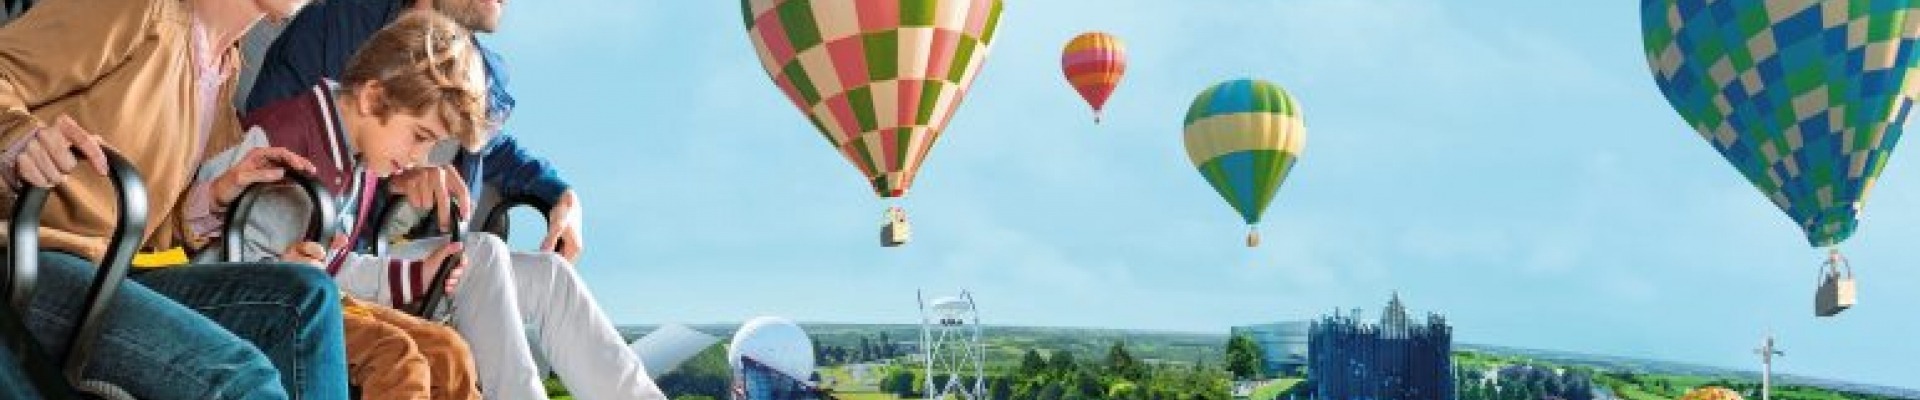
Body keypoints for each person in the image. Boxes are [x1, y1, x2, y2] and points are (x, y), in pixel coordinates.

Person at [249, 0, 667, 398]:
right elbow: (276, 143)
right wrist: (390, 176)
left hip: (390, 265)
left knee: (550, 276)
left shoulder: (474, 73)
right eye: (421, 138)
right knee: (481, 254)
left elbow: (497, 151)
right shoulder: (336, 27)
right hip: (332, 261)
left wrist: (561, 194)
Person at [0, 0, 349, 397]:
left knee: (308, 296)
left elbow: (147, 224)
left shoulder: (222, 71)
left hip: (111, 268)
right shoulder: (135, 8)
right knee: (240, 377)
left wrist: (215, 197)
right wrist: (18, 139)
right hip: (30, 250)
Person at [201, 12, 491, 400]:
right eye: (419, 136)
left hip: (313, 299)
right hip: (244, 306)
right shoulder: (284, 139)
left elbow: (332, 268)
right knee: (396, 358)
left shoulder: (362, 157)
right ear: (372, 98)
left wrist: (418, 274)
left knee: (449, 352)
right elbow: (207, 244)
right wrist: (276, 275)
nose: (421, 158)